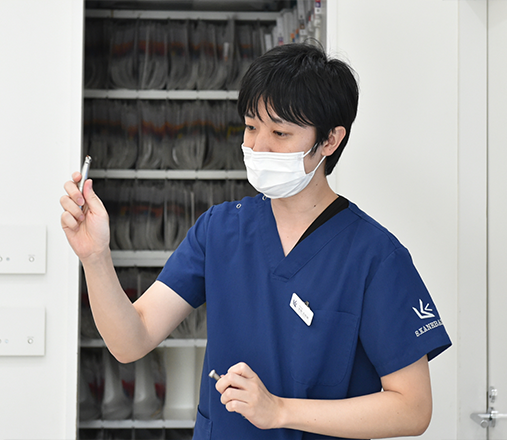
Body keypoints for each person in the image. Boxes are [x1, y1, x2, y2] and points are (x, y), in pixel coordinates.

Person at [61, 43, 451, 440]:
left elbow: (413, 408)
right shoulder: (219, 230)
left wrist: (280, 411)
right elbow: (131, 341)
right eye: (251, 127)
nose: (258, 147)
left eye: (280, 132)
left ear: (330, 140)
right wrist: (95, 257)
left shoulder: (375, 256)